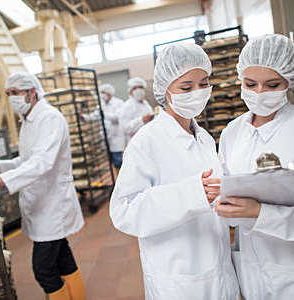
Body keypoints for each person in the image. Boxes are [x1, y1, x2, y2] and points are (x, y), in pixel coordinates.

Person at [110, 44, 239, 299]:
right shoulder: (146, 141)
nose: (198, 93)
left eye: (204, 83)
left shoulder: (202, 138)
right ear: (165, 90)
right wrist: (190, 194)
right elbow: (124, 210)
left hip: (218, 266)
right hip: (179, 277)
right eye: (186, 88)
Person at [216, 34, 294, 300]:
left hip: (288, 269)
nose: (259, 93)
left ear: (288, 81)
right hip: (247, 267)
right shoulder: (232, 133)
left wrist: (262, 213)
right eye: (251, 84)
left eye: (272, 85)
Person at [0, 73, 85, 300]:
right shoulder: (28, 120)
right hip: (41, 204)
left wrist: (4, 181)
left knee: (43, 269)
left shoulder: (49, 118)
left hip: (53, 204)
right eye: (8, 94)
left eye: (15, 93)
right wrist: (1, 165)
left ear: (31, 92)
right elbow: (27, 160)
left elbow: (43, 161)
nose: (11, 98)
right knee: (63, 259)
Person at [81, 83, 125, 171]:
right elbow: (96, 115)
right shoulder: (102, 104)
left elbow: (117, 118)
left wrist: (104, 114)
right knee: (113, 161)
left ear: (109, 93)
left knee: (119, 161)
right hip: (106, 138)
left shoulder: (118, 103)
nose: (102, 95)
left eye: (103, 93)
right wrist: (85, 117)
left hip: (116, 137)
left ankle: (123, 178)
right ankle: (117, 178)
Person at [120, 77, 154, 144]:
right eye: (135, 88)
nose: (139, 90)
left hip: (149, 140)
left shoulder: (145, 103)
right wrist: (141, 120)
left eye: (141, 87)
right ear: (130, 91)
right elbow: (125, 128)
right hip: (137, 143)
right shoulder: (127, 106)